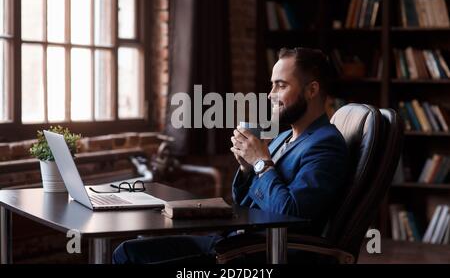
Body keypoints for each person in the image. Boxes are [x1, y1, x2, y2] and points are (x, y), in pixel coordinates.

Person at [112, 47, 349, 264]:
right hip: (231, 241)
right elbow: (245, 202)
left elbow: (290, 215)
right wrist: (247, 168)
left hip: (258, 253)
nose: (270, 95)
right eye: (272, 85)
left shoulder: (325, 145)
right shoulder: (283, 137)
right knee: (126, 251)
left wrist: (261, 164)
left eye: (281, 85)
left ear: (312, 90)